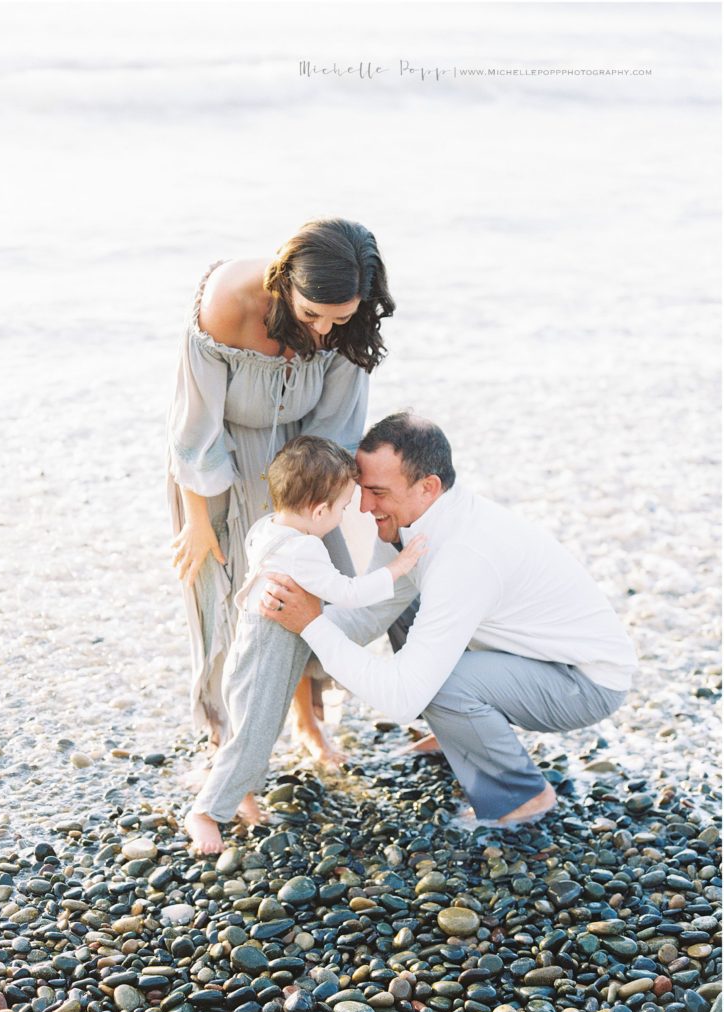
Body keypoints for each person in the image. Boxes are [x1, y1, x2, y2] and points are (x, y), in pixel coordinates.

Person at [262, 412, 638, 828]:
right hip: (526, 653)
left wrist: (312, 624)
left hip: (583, 681)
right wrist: (280, 632)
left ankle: (520, 795)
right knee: (393, 594)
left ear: (429, 487)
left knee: (437, 684)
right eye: (362, 490)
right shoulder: (415, 521)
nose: (365, 507)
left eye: (377, 493)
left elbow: (402, 698)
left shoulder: (463, 556)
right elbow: (369, 611)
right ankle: (460, 733)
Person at [167, 218, 394, 769]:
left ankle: (305, 720)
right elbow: (196, 432)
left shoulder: (347, 321)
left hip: (306, 470)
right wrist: (199, 521)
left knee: (304, 590)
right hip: (221, 464)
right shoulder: (228, 303)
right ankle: (229, 746)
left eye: (337, 319)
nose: (321, 331)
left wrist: (314, 510)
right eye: (311, 313)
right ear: (283, 280)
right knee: (228, 599)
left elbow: (336, 427)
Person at [185, 436, 425, 853]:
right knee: (254, 735)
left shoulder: (267, 528)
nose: (344, 516)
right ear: (318, 511)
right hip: (266, 658)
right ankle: (205, 813)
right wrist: (399, 566)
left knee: (255, 732)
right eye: (342, 508)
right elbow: (349, 593)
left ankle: (240, 792)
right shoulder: (306, 549)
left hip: (261, 648)